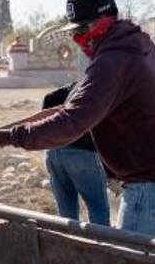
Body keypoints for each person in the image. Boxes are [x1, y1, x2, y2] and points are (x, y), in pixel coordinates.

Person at [0, 0, 155, 243]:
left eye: (83, 30)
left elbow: (71, 123)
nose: (79, 40)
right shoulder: (137, 42)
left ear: (106, 20)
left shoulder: (110, 63)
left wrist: (3, 138)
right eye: (74, 33)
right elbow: (80, 110)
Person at [42, 82, 110, 225]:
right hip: (81, 153)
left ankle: (69, 243)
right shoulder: (97, 91)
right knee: (97, 206)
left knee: (66, 209)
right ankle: (102, 245)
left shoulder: (55, 95)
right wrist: (111, 173)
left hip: (52, 153)